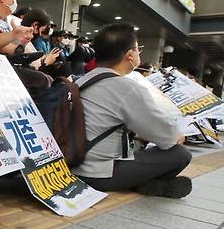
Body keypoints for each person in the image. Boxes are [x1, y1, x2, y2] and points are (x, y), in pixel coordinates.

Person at [73, 22, 192, 197]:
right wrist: (177, 135)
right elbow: (169, 137)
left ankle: (150, 184)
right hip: (100, 174)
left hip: (73, 165)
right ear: (129, 55)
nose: (139, 53)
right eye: (138, 49)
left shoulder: (81, 81)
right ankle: (148, 184)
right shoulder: (127, 87)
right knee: (180, 154)